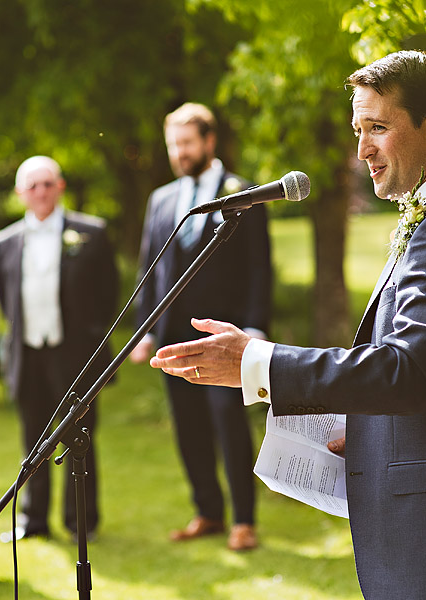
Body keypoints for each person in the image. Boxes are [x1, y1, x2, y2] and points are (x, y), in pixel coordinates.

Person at [149, 51, 426, 599]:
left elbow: (408, 369)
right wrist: (369, 435)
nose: (361, 150)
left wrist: (256, 359)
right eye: (357, 130)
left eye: (377, 128)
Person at [129, 102, 272, 551]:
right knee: (187, 425)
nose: (180, 152)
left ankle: (244, 520)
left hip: (224, 336)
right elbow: (149, 269)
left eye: (187, 142)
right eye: (174, 144)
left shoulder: (244, 194)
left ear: (210, 142)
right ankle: (207, 511)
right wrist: (144, 329)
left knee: (228, 423)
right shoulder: (162, 199)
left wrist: (255, 327)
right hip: (172, 335)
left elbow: (258, 268)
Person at [0, 155, 118, 541]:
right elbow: (4, 300)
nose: (41, 192)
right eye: (33, 185)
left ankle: (82, 521)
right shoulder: (4, 242)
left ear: (60, 187)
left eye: (48, 184)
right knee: (33, 440)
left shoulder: (91, 233)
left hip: (76, 355)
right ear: (20, 193)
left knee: (80, 439)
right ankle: (34, 520)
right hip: (28, 354)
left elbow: (108, 294)